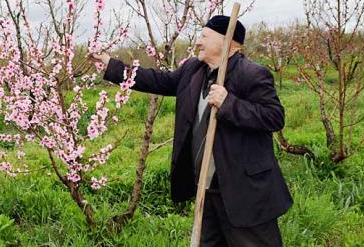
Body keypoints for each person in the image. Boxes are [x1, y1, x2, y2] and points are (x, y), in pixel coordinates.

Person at [90, 16, 292, 246]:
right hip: (206, 189)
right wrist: (110, 64)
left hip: (244, 192)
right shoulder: (193, 70)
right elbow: (157, 80)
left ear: (228, 42)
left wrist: (229, 104)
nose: (198, 42)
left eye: (205, 36)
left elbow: (274, 117)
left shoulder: (252, 74)